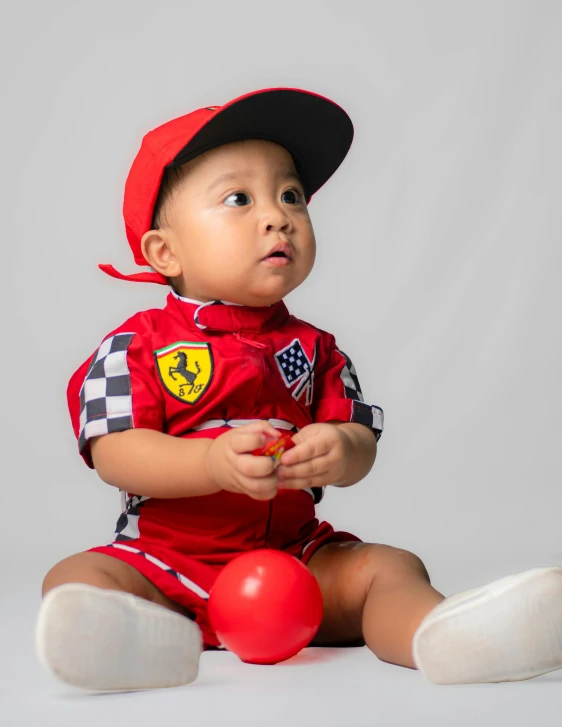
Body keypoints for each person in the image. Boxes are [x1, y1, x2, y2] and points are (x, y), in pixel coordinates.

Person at [36, 87, 562, 692]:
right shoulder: (137, 345)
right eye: (239, 198)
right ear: (166, 251)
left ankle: (446, 638)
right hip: (166, 564)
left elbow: (361, 442)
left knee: (391, 568)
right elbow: (116, 453)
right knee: (74, 576)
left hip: (294, 560)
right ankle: (140, 645)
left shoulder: (317, 348)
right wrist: (209, 461)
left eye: (290, 195)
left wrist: (342, 448)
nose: (277, 215)